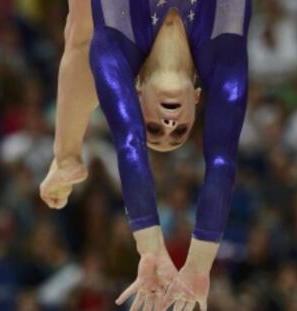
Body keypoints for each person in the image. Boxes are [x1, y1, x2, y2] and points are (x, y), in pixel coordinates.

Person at [40, 0, 252, 310]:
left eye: (153, 128)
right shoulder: (224, 49)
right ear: (196, 99)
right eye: (179, 132)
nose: (168, 124)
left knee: (82, 28)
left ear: (135, 92)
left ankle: (66, 155)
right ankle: (65, 157)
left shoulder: (117, 41)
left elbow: (129, 143)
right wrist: (198, 266)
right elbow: (222, 161)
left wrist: (150, 250)